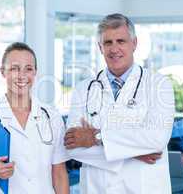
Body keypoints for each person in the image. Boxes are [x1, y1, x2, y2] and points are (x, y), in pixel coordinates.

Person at [64, 13, 175, 193]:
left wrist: (95, 138)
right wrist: (135, 152)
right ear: (100, 47)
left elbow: (156, 139)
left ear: (134, 43)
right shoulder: (83, 89)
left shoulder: (158, 85)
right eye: (108, 43)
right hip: (97, 188)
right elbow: (72, 146)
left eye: (121, 41)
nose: (114, 49)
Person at [0, 42, 69, 194]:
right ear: (3, 72)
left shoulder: (52, 117)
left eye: (28, 69)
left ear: (35, 72)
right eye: (14, 68)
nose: (21, 76)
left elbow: (59, 174)